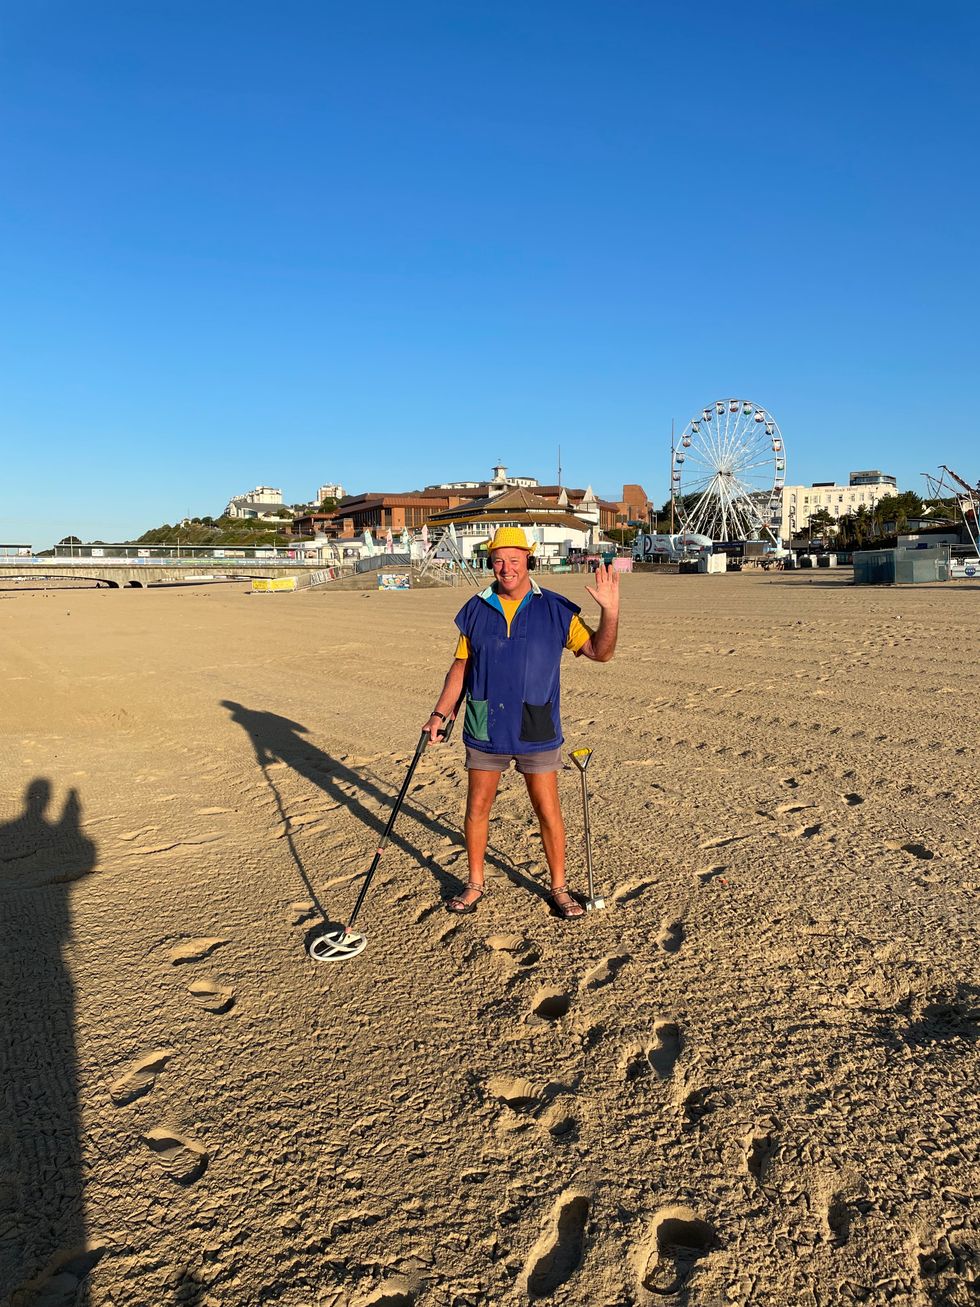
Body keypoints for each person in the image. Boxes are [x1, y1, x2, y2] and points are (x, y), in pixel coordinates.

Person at [423, 527, 620, 920]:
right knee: (477, 807)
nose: (506, 568)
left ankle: (559, 887)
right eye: (498, 560)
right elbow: (460, 667)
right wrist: (440, 713)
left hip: (537, 724)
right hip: (486, 724)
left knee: (547, 810)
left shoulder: (556, 609)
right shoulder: (476, 609)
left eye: (514, 560)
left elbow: (600, 652)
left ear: (529, 560)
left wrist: (610, 611)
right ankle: (475, 883)